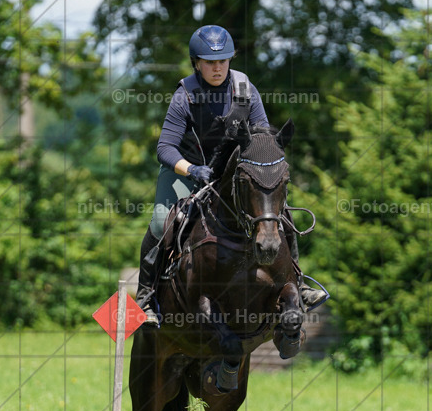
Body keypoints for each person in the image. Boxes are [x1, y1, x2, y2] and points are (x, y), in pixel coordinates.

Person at [135, 24, 325, 325]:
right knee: (161, 222)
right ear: (196, 63)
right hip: (186, 170)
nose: (217, 67)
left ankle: (299, 285)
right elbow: (165, 148)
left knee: (280, 214)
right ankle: (144, 299)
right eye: (210, 62)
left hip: (232, 174)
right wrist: (193, 169)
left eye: (223, 60)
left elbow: (262, 135)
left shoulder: (244, 91)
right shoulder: (185, 96)